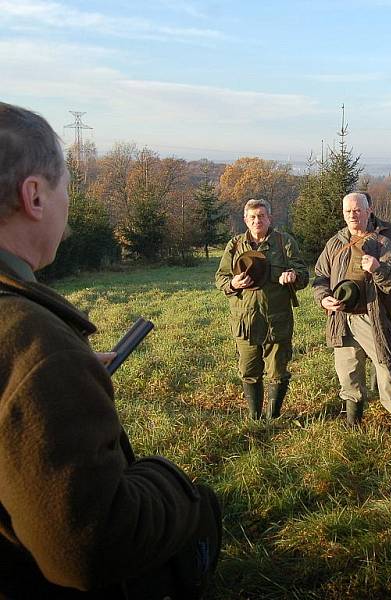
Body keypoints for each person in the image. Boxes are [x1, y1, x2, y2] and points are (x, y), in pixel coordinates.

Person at [0, 103, 220, 597]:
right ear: (34, 195)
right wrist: (174, 482)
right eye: (66, 190)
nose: (67, 208)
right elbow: (88, 545)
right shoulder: (31, 342)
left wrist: (63, 379)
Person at [313, 192, 391, 430]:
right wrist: (324, 299)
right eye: (348, 211)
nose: (352, 215)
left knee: (386, 368)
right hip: (341, 318)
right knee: (347, 371)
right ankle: (353, 421)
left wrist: (378, 268)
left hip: (372, 316)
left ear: (369, 212)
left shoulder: (382, 243)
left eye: (358, 210)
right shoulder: (335, 243)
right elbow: (320, 277)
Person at [215, 198, 309, 420]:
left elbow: (304, 275)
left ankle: (273, 416)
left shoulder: (284, 242)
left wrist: (294, 276)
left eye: (262, 216)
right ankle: (254, 417)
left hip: (277, 321)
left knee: (278, 372)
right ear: (245, 220)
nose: (258, 220)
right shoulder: (236, 245)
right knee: (249, 371)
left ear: (270, 218)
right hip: (245, 322)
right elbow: (220, 277)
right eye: (253, 217)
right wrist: (233, 284)